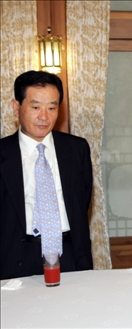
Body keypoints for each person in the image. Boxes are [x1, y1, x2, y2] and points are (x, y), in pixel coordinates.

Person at [0, 71, 93, 280]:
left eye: (52, 107)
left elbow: (82, 201)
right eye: (35, 107)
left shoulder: (77, 149)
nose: (44, 116)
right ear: (16, 108)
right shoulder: (3, 153)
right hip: (16, 257)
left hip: (70, 254)